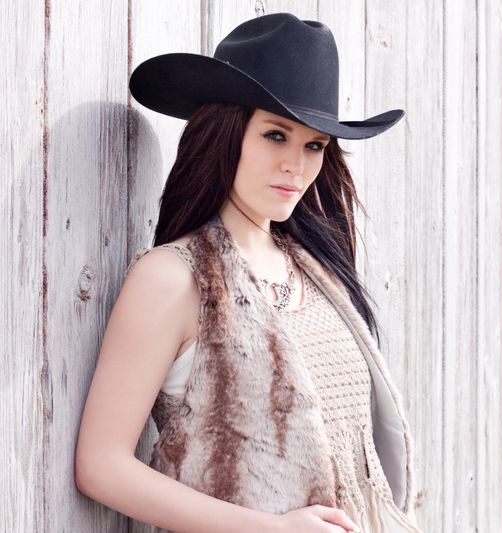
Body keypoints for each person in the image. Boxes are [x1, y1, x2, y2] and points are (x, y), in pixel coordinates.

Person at [74, 13, 421, 533]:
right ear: (224, 133)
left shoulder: (315, 270)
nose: (296, 167)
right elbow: (101, 466)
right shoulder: (173, 278)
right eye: (275, 135)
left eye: (313, 145)